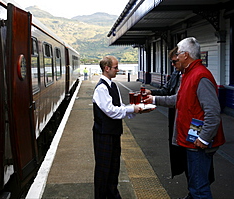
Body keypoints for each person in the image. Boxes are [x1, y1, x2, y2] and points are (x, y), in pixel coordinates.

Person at [145, 37, 225, 199]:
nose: (176, 59)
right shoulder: (189, 74)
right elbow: (178, 99)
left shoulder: (200, 76)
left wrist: (203, 138)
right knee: (195, 184)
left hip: (197, 141)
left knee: (199, 188)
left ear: (186, 55)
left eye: (179, 54)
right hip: (190, 139)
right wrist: (153, 99)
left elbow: (213, 111)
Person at [92, 55, 150, 199]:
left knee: (113, 167)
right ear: (107, 68)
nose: (118, 70)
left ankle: (112, 194)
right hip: (103, 133)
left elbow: (119, 107)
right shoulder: (101, 88)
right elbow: (111, 111)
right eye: (115, 67)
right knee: (103, 169)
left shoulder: (113, 86)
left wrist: (135, 109)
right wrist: (132, 109)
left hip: (112, 132)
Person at [145, 47, 186, 178]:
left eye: (175, 62)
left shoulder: (194, 76)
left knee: (190, 157)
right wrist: (151, 92)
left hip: (185, 119)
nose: (173, 65)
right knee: (178, 150)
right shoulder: (176, 74)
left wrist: (154, 99)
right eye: (171, 62)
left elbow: (177, 99)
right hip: (175, 117)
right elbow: (166, 90)